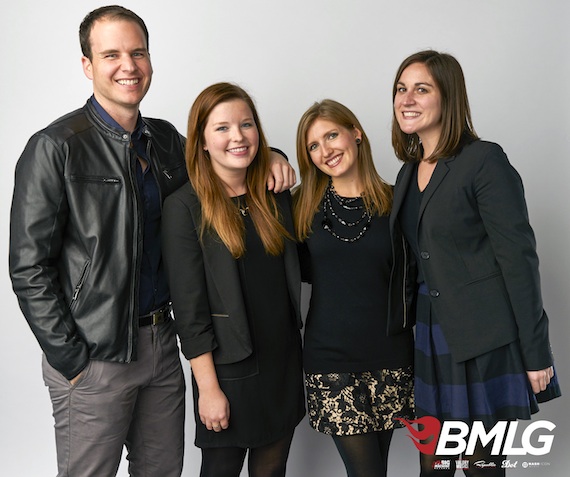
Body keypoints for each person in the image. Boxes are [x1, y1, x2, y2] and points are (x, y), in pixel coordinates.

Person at [8, 6, 295, 477]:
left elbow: (222, 158)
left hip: (163, 345)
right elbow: (28, 268)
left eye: (137, 52)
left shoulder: (163, 140)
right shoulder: (55, 147)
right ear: (87, 65)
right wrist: (72, 359)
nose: (129, 66)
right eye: (112, 54)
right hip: (94, 354)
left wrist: (275, 157)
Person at [390, 50, 561, 476]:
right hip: (430, 338)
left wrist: (536, 352)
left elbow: (519, 260)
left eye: (421, 89)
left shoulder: (484, 160)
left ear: (449, 97)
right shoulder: (408, 172)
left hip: (484, 340)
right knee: (433, 466)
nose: (406, 99)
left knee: (482, 467)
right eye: (400, 89)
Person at [161, 82, 305, 477]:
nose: (237, 136)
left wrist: (277, 157)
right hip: (228, 370)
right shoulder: (184, 207)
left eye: (246, 124)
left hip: (282, 361)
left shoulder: (274, 194)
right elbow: (189, 312)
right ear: (202, 141)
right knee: (220, 470)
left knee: (273, 469)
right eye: (222, 128)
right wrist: (208, 389)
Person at [293, 99, 415, 477]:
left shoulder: (399, 201)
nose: (326, 150)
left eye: (331, 135)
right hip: (331, 362)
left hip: (392, 356)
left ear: (356, 133)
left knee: (378, 469)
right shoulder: (299, 208)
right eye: (313, 145)